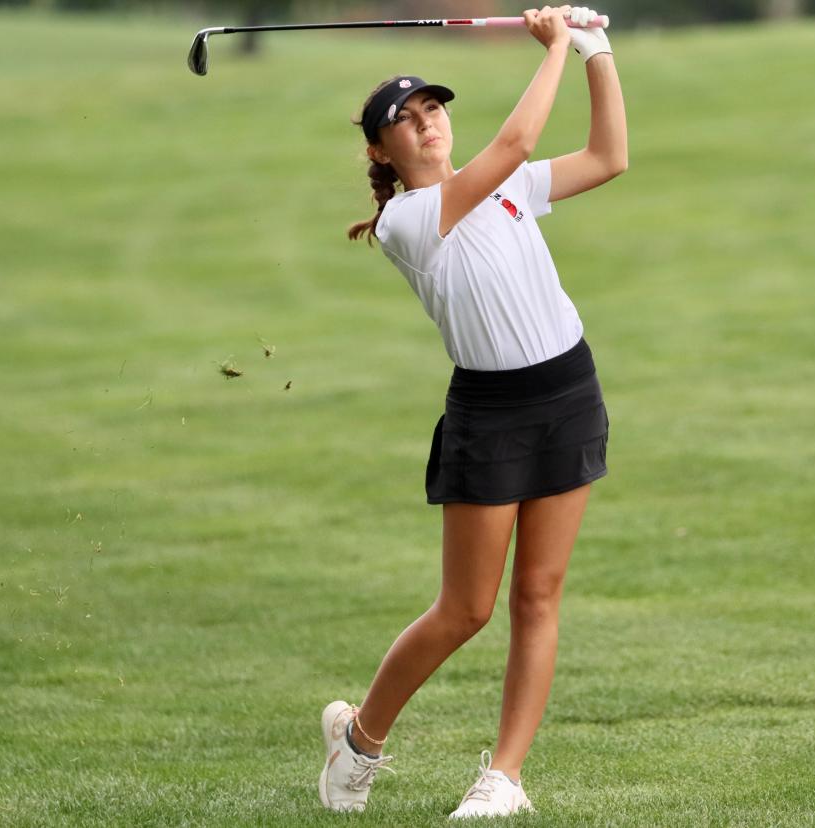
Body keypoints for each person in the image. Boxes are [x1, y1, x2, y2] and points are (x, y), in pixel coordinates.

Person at [319, 5, 627, 819]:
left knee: (539, 596)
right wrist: (556, 42)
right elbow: (519, 143)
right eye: (405, 123)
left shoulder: (507, 188)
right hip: (490, 414)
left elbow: (609, 157)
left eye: (433, 110)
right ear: (382, 151)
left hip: (568, 390)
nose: (427, 126)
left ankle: (506, 779)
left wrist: (597, 52)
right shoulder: (408, 220)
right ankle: (361, 738)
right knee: (467, 609)